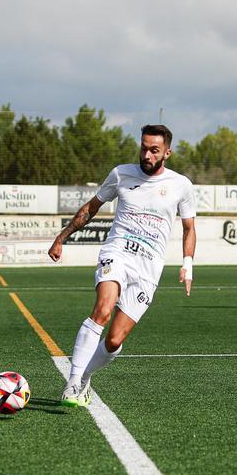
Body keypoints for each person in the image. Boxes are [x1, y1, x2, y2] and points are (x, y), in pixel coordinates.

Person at [48, 124, 196, 408]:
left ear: (167, 152)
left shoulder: (181, 185)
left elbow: (190, 228)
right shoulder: (121, 174)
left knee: (115, 340)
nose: (147, 155)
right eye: (144, 148)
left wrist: (187, 265)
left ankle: (86, 377)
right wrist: (61, 238)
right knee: (102, 309)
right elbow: (91, 208)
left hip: (148, 269)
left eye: (154, 150)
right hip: (117, 253)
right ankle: (73, 382)